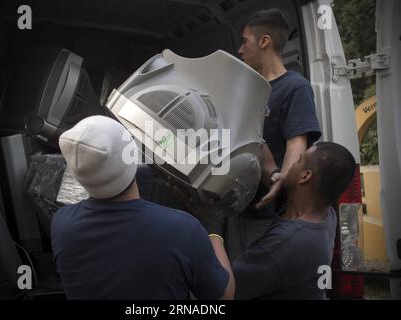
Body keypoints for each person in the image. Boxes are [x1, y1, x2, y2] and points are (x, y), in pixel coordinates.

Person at [51, 115, 234, 300]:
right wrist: (212, 228)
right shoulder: (183, 229)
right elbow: (224, 297)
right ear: (130, 155)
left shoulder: (61, 224)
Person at [181, 142, 356, 299]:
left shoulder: (286, 242)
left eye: (298, 161)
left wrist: (212, 226)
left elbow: (225, 291)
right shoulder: (327, 215)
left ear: (305, 176)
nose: (292, 164)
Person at [225, 8, 322, 259]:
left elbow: (296, 145)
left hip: (268, 214)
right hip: (239, 209)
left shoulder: (295, 87)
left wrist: (280, 182)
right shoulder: (249, 89)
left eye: (245, 41)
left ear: (264, 41)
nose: (240, 49)